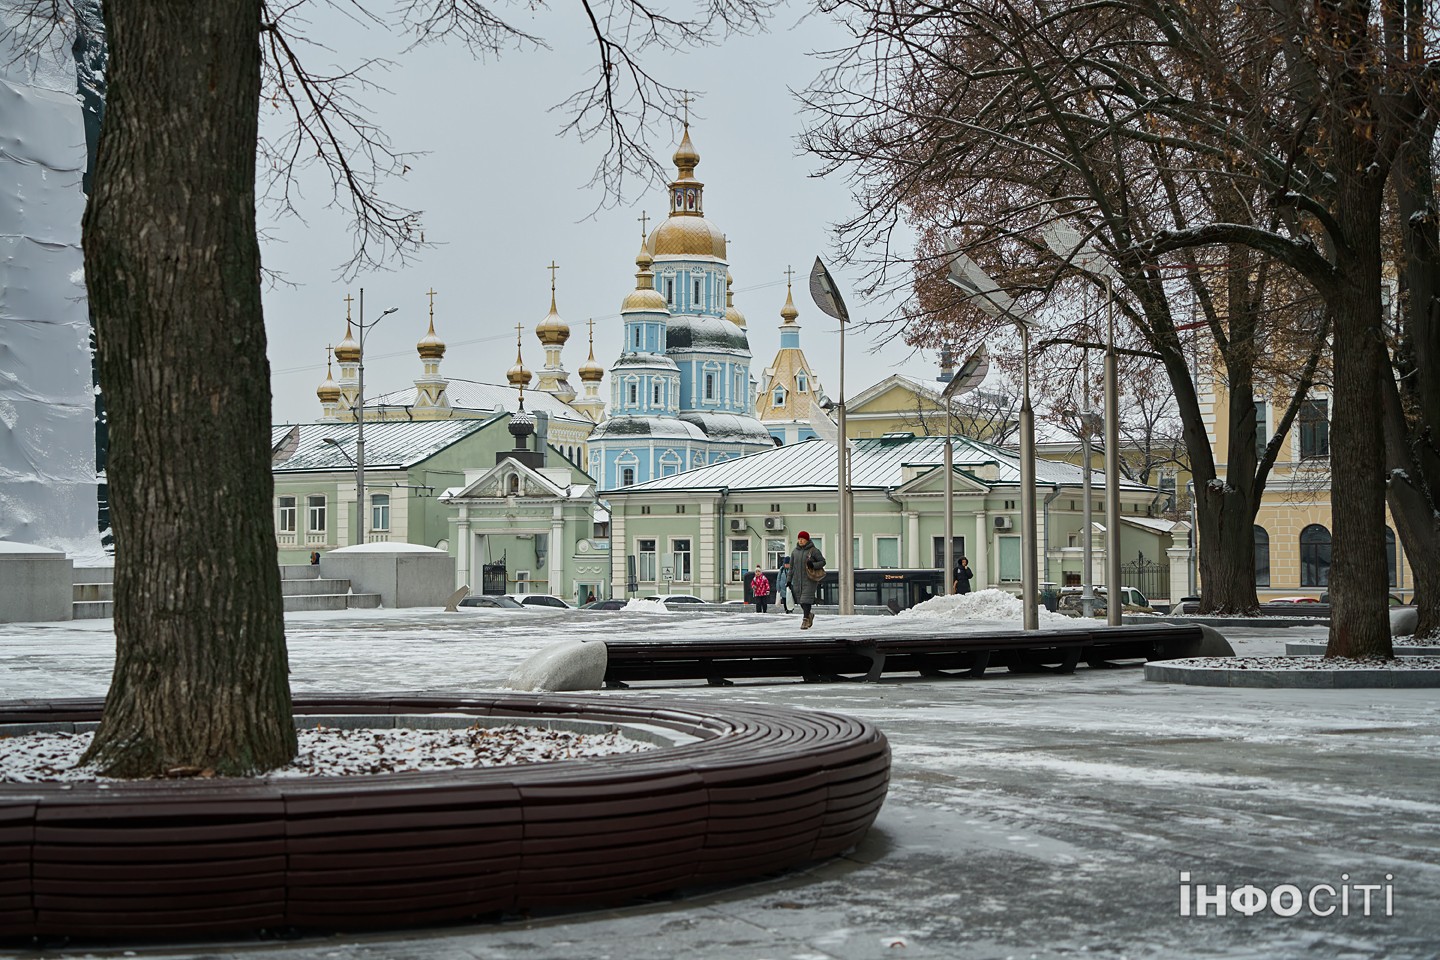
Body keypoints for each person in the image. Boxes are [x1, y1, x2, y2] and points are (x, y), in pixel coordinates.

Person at [790, 531, 826, 630]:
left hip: (810, 579)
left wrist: (813, 565)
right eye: (799, 539)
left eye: (802, 539)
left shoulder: (814, 551)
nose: (800, 541)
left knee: (806, 600)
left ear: (807, 540)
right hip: (797, 580)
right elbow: (791, 568)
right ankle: (809, 615)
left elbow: (823, 562)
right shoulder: (794, 552)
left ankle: (805, 620)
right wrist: (789, 580)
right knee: (801, 601)